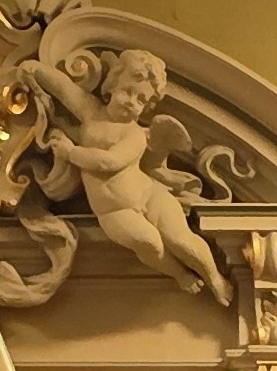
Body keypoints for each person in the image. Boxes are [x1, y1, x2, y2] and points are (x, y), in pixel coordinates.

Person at [39, 41, 228, 300]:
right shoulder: (91, 113)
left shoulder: (136, 135)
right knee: (148, 242)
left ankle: (214, 277)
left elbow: (110, 162)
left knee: (181, 239)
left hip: (149, 194)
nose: (131, 102)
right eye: (127, 91)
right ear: (111, 85)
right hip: (114, 210)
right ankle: (180, 274)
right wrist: (35, 70)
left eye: (141, 100)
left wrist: (71, 153)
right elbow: (64, 89)